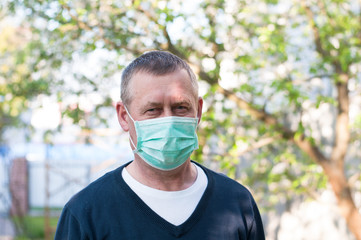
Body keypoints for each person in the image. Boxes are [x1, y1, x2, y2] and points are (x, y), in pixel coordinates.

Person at [55, 51, 265, 240]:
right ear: (123, 116)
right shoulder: (86, 213)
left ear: (198, 111)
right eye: (153, 110)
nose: (169, 121)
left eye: (180, 107)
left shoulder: (236, 203)